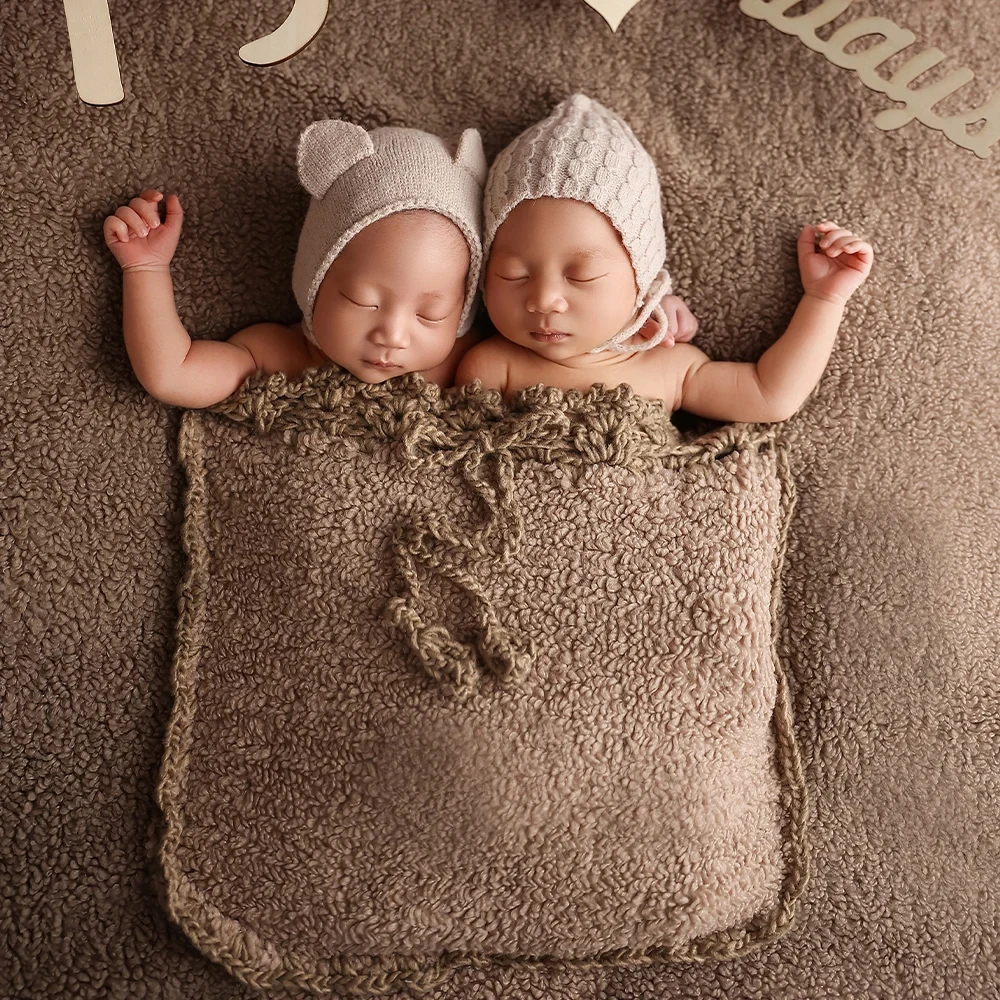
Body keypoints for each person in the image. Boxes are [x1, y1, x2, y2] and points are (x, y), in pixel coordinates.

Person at [455, 94, 874, 422]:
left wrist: (824, 299)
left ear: (643, 280)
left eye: (581, 276)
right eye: (512, 274)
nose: (544, 299)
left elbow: (770, 397)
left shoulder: (669, 368)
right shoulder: (491, 366)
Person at [103, 120, 489, 408]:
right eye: (363, 301)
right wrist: (146, 270)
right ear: (315, 279)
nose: (392, 335)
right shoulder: (276, 355)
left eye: (431, 314)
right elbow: (172, 374)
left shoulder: (471, 365)